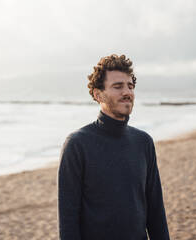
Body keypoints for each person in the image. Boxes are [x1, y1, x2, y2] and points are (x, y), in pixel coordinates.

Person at [58, 54, 170, 240]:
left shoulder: (143, 142)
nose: (127, 92)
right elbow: (68, 219)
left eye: (130, 86)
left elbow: (156, 211)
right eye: (117, 86)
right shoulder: (77, 144)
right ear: (98, 94)